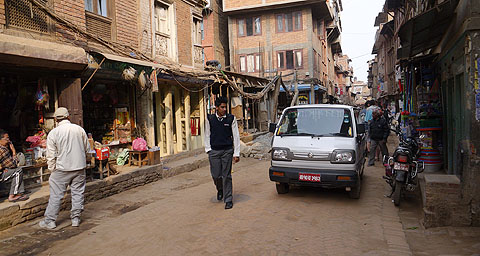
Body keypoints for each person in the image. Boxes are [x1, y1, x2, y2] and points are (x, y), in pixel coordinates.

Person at [39, 107, 89, 229]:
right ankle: (75, 219)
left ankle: (50, 221)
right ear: (68, 117)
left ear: (56, 119)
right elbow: (87, 149)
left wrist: (52, 169)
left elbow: (51, 155)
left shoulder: (54, 133)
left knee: (56, 195)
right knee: (78, 193)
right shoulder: (79, 130)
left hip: (62, 168)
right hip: (79, 167)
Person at [204, 96, 240, 210]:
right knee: (216, 175)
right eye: (222, 107)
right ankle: (220, 189)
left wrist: (236, 153)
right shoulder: (210, 119)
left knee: (227, 176)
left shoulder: (231, 119)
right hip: (214, 151)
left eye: (225, 107)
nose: (224, 109)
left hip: (227, 151)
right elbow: (207, 134)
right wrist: (208, 149)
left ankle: (228, 199)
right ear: (216, 108)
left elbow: (236, 136)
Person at [0, 130, 29, 202]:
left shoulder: (3, 148)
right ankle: (12, 195)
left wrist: (3, 168)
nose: (8, 140)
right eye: (6, 139)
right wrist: (13, 151)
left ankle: (20, 192)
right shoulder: (2, 150)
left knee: (18, 170)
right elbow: (13, 165)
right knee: (18, 171)